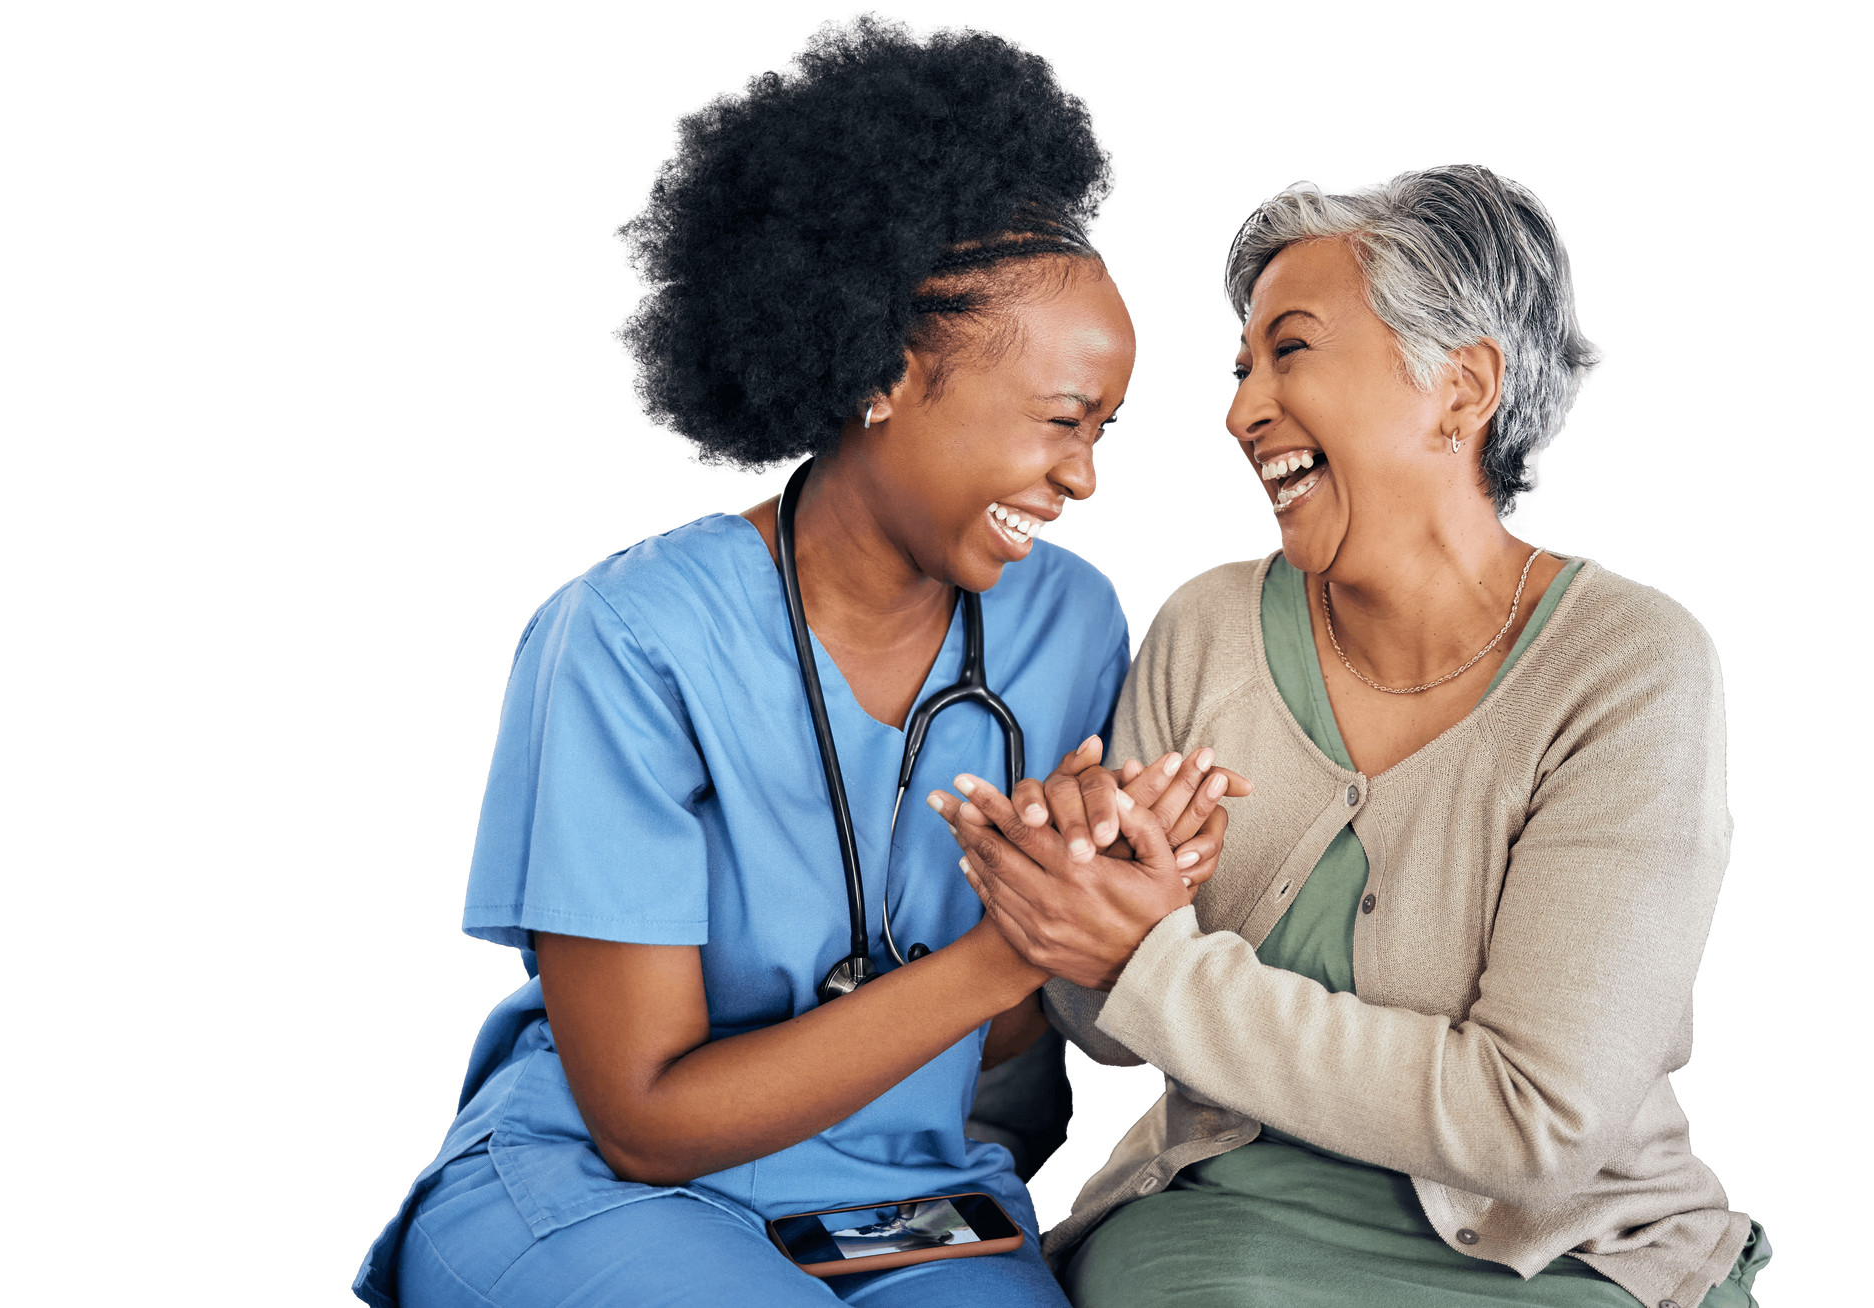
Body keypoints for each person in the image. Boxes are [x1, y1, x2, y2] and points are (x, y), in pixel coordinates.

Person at [348, 11, 1248, 1307]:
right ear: (885, 370)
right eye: (1061, 423)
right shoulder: (627, 639)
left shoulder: (1072, 622)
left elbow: (998, 1050)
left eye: (1104, 432)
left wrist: (1083, 898)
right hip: (616, 1186)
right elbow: (644, 1121)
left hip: (906, 1194)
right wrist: (1008, 947)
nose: (1086, 479)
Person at [931, 163, 1773, 1307]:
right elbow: (1112, 1035)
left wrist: (1147, 954)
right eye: (1239, 369)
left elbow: (1536, 1123)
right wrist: (1089, 895)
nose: (1239, 408)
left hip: (1568, 1249)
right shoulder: (1207, 625)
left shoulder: (1628, 668)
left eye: (1292, 351)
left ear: (1463, 386)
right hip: (1231, 1227)